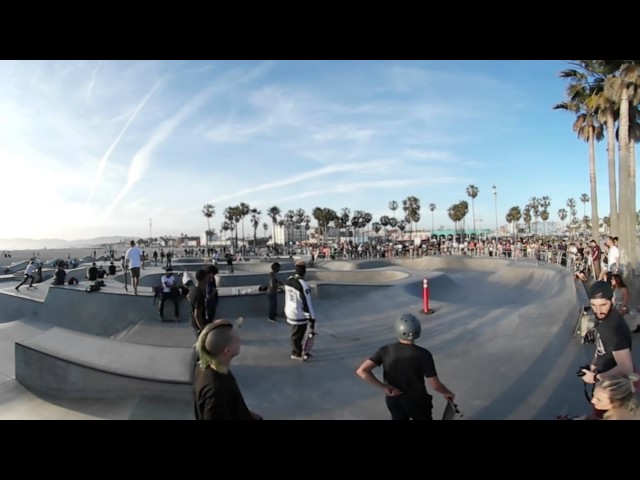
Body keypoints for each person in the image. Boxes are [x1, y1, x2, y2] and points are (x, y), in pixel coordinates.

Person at [356, 313, 455, 420]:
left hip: (394, 400)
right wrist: (447, 392)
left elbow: (362, 371)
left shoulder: (385, 350)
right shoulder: (424, 354)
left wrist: (384, 388)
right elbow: (435, 385)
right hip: (418, 402)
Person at [580, 281, 637, 416]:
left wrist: (594, 378)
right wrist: (594, 364)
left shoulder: (613, 330)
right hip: (604, 378)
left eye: (603, 305)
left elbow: (626, 367)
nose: (598, 310)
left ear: (612, 300)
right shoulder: (602, 317)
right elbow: (600, 344)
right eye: (594, 305)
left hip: (612, 389)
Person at [193, 319, 263, 420]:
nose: (239, 339)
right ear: (228, 351)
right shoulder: (215, 393)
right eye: (236, 339)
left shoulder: (208, 367)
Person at [284, 260, 316, 361]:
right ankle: (296, 353)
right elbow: (307, 303)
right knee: (298, 334)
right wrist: (311, 318)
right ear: (304, 271)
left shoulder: (288, 280)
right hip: (298, 313)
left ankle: (298, 349)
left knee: (296, 332)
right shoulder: (303, 284)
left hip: (289, 310)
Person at [188, 269, 208, 337]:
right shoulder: (199, 294)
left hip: (193, 322)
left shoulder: (193, 288)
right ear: (204, 278)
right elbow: (197, 315)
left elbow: (188, 297)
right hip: (198, 324)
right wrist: (203, 330)